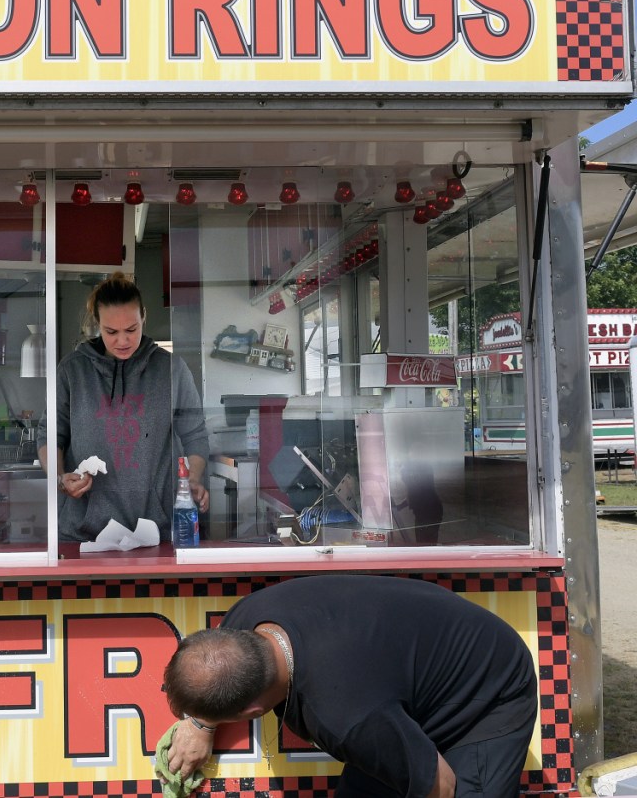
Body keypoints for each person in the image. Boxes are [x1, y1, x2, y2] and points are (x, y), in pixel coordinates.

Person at [161, 575, 537, 798]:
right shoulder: (244, 622)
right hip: (404, 672)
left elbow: (440, 784)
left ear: (253, 713)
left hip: (486, 685)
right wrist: (200, 724)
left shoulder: (344, 717)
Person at [38, 272, 210, 542]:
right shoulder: (72, 370)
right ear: (98, 324)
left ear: (143, 316)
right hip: (84, 532)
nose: (122, 341)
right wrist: (60, 478)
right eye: (111, 331)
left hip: (156, 530)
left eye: (131, 329)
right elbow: (49, 435)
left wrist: (194, 481)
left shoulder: (171, 369)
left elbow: (195, 436)